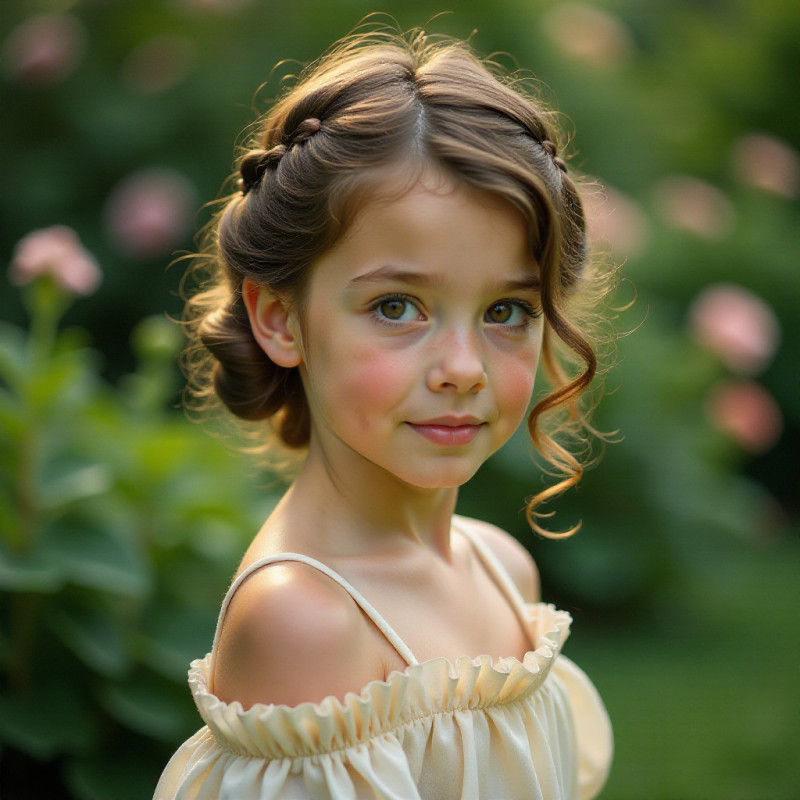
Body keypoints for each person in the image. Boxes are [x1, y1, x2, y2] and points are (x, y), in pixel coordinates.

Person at [155, 24, 614, 800]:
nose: (464, 369)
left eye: (507, 311)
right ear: (280, 319)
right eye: (397, 306)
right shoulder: (302, 621)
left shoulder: (503, 570)